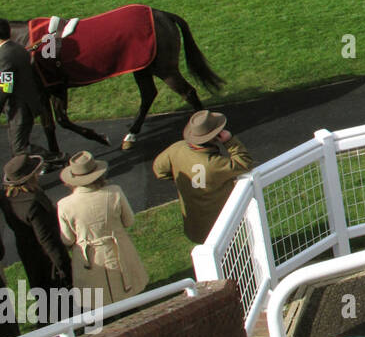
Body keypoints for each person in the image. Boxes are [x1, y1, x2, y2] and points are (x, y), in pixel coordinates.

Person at [57, 152, 149, 305]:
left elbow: (67, 239)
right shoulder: (114, 192)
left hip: (90, 259)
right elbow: (128, 221)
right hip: (118, 249)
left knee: (98, 303)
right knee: (129, 298)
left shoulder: (65, 205)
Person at [152, 110, 254, 244]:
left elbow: (159, 170)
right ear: (215, 136)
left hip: (195, 224)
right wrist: (230, 141)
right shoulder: (215, 164)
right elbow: (244, 163)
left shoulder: (176, 149)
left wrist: (181, 181)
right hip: (221, 224)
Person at [0, 155, 72, 323]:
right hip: (46, 256)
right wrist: (64, 267)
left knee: (42, 292)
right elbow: (47, 240)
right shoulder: (33, 201)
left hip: (26, 251)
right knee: (58, 298)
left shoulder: (6, 198)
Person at [0, 20, 56, 161]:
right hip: (24, 104)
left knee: (20, 148)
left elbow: (6, 87)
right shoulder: (17, 48)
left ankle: (56, 158)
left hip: (19, 108)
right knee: (17, 147)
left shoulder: (4, 56)